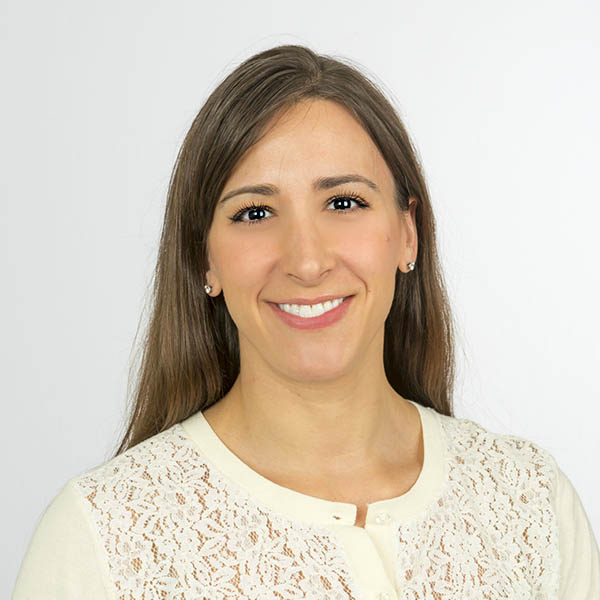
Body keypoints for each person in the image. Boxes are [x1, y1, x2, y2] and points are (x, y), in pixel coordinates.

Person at [12, 44, 599, 599]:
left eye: (344, 203)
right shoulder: (104, 536)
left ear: (408, 233)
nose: (308, 261)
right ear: (205, 259)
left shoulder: (531, 502)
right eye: (256, 212)